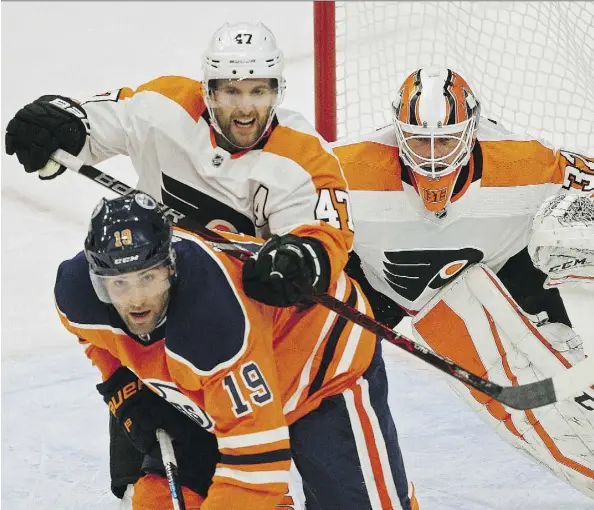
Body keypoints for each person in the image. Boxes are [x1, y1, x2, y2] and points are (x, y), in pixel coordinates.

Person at [5, 21, 356, 499]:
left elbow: (322, 236)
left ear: (278, 90)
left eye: (258, 90)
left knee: (322, 491)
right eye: (231, 91)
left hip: (275, 343)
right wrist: (60, 127)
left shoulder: (302, 158)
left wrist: (299, 258)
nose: (245, 106)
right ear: (207, 90)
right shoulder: (163, 108)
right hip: (163, 318)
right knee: (149, 491)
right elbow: (91, 126)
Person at [54, 192, 418, 509]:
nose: (135, 300)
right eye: (119, 284)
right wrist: (126, 390)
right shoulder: (75, 293)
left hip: (319, 365)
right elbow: (93, 339)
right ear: (97, 282)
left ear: (170, 268)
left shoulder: (212, 322)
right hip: (215, 385)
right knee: (158, 501)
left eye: (147, 278)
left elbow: (259, 467)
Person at [333, 67, 594, 499]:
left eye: (447, 140)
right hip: (375, 283)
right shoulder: (344, 167)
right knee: (306, 372)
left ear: (473, 132)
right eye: (419, 140)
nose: (432, 157)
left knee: (569, 404)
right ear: (397, 133)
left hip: (502, 275)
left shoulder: (526, 162)